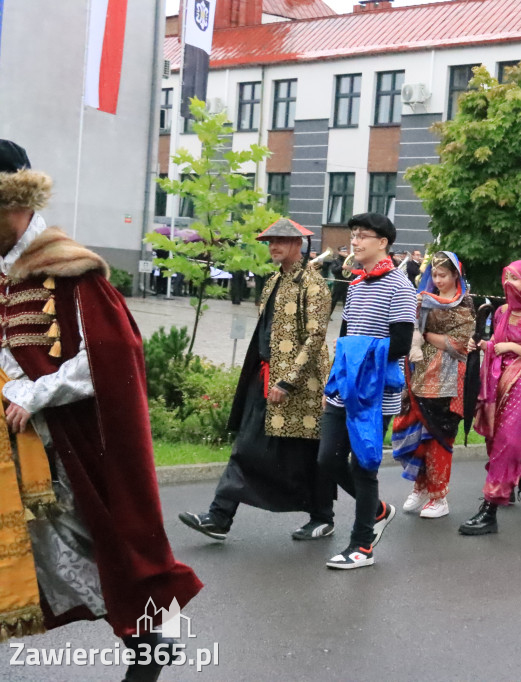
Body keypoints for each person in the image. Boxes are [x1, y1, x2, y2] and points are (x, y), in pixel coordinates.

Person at [0, 140, 201, 680]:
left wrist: (33, 394)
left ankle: (155, 640)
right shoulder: (4, 272)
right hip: (17, 449)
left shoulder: (70, 270)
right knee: (29, 552)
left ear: (12, 204)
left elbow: (112, 355)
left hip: (70, 445)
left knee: (111, 545)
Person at [179, 218, 333, 542]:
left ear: (297, 244)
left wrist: (288, 381)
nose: (272, 246)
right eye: (270, 241)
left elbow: (316, 337)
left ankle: (323, 516)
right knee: (246, 446)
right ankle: (219, 516)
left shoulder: (314, 286)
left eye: (279, 240)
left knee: (307, 453)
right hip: (264, 380)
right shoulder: (272, 281)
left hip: (300, 389)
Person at [317, 213, 417, 569]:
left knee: (363, 467)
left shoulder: (400, 287)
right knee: (327, 458)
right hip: (344, 388)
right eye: (353, 235)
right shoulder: (356, 284)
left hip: (374, 394)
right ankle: (377, 510)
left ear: (382, 242)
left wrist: (359, 356)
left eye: (362, 236)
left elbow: (401, 344)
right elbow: (345, 336)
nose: (354, 242)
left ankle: (362, 547)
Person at [459, 260, 521, 535]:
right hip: (497, 380)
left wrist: (512, 346)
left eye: (515, 278)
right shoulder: (501, 312)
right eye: (507, 277)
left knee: (510, 443)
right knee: (497, 442)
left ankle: (489, 511)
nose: (508, 283)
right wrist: (481, 345)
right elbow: (496, 346)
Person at [392, 251, 474, 519]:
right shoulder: (423, 299)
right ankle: (420, 487)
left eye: (443, 275)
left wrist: (426, 335)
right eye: (434, 275)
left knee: (437, 436)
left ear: (455, 276)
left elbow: (459, 345)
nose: (437, 280)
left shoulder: (464, 304)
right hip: (418, 374)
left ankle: (439, 497)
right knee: (415, 432)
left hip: (448, 380)